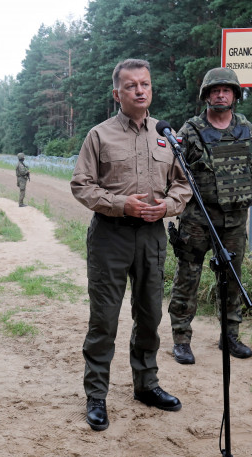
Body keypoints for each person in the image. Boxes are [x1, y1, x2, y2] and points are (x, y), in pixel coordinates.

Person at [71, 59, 192, 431]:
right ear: (117, 94)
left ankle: (146, 385)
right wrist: (121, 203)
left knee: (150, 317)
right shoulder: (99, 135)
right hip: (111, 235)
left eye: (145, 84)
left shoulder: (167, 134)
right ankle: (96, 395)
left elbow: (183, 185)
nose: (140, 90)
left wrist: (167, 208)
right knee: (105, 319)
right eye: (131, 86)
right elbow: (81, 185)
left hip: (152, 237)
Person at [167, 67, 252, 365]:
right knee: (188, 277)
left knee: (232, 279)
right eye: (215, 90)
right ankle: (181, 339)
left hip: (234, 219)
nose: (221, 94)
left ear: (235, 95)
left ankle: (230, 335)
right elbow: (173, 170)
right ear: (207, 95)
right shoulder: (190, 130)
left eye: (226, 90)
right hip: (197, 219)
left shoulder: (246, 128)